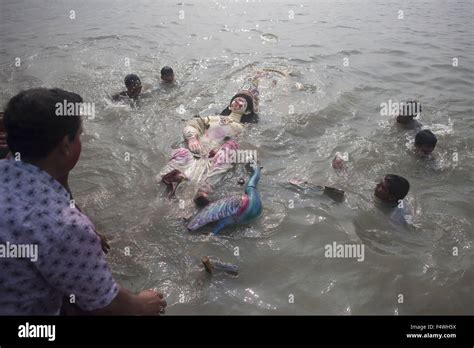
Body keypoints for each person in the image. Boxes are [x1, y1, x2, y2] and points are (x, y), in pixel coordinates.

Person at [0, 88, 166, 315]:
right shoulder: (65, 227)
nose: (82, 138)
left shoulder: (11, 166)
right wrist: (142, 304)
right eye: (79, 134)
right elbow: (106, 304)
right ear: (66, 145)